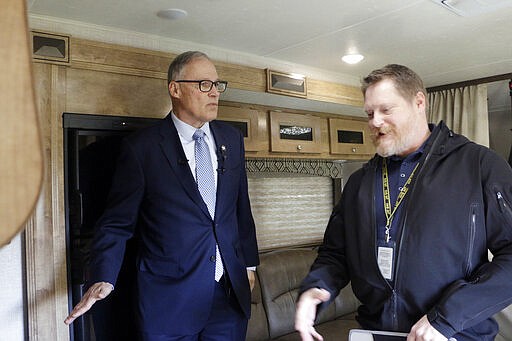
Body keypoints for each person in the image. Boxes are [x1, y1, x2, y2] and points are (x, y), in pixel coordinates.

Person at [294, 64, 512, 341]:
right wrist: (317, 288)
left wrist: (446, 318)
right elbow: (336, 253)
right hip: (376, 333)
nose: (374, 121)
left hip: (453, 333)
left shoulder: (479, 165)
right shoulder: (359, 182)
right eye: (369, 113)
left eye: (386, 110)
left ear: (419, 102)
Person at [64, 51, 259, 341]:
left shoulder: (231, 139)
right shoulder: (142, 148)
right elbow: (117, 222)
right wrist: (103, 276)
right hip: (169, 303)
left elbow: (240, 207)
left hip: (227, 296)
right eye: (204, 84)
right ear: (175, 88)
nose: (215, 92)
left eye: (218, 84)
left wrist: (249, 265)